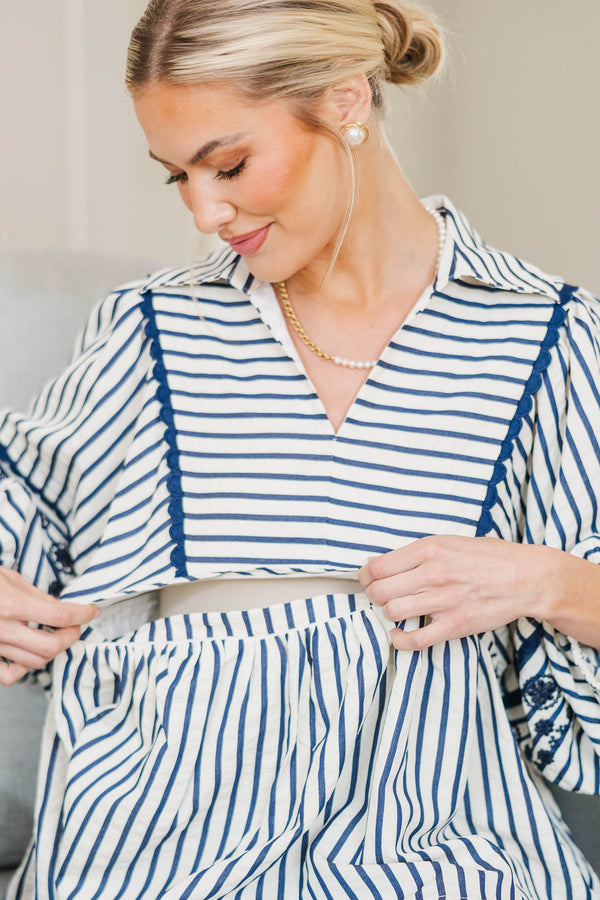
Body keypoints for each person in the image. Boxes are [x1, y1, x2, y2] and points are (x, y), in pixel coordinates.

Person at [2, 0, 600, 896]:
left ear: (344, 98)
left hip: (441, 844)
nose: (206, 211)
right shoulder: (151, 328)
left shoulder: (545, 333)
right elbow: (22, 507)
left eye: (229, 164)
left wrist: (548, 581)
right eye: (178, 178)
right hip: (161, 843)